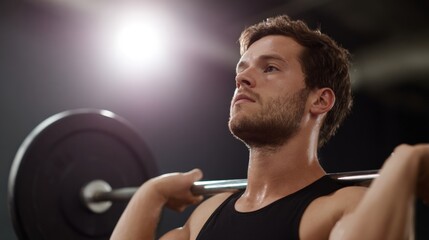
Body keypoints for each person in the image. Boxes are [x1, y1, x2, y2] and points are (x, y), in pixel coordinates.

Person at [111, 15, 429, 240]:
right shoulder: (205, 217)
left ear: (319, 101)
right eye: (243, 69)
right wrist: (149, 194)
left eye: (271, 68)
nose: (242, 79)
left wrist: (404, 163)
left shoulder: (339, 209)